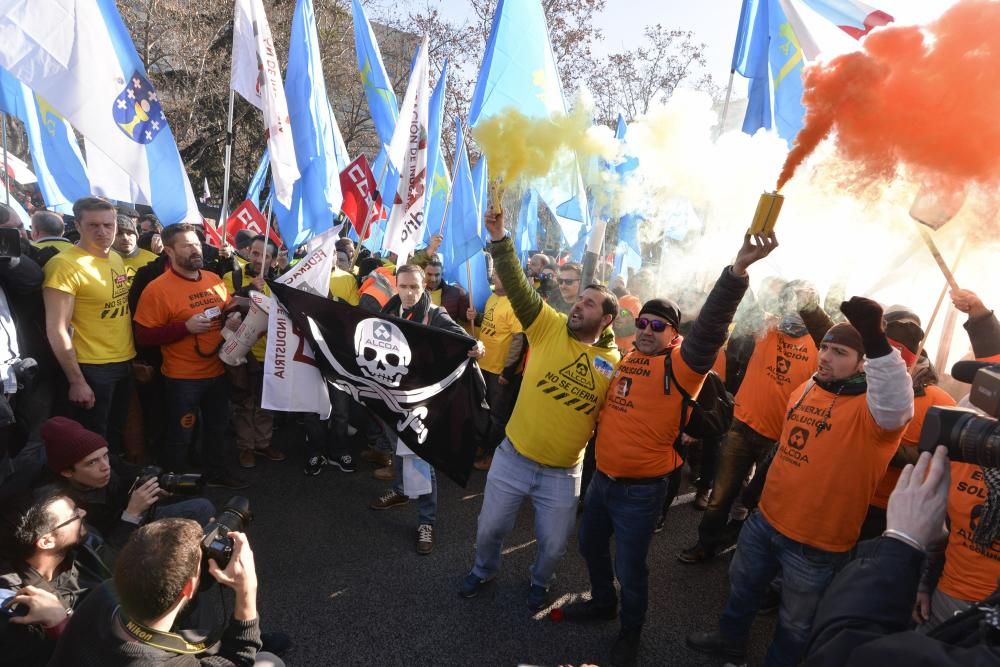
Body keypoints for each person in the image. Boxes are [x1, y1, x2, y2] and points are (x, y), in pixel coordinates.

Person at [565, 233, 778, 667]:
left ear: (672, 335)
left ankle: (631, 632)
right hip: (603, 480)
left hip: (641, 491)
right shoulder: (626, 356)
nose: (646, 330)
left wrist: (737, 271)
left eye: (657, 326)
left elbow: (714, 324)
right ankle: (603, 603)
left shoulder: (683, 366)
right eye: (642, 323)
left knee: (632, 567)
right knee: (588, 544)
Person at [687, 298, 915, 666]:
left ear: (863, 363)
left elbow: (896, 402)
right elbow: (782, 450)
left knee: (796, 623)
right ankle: (729, 642)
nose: (824, 356)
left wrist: (875, 338)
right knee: (741, 589)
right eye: (824, 347)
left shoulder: (875, 414)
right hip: (765, 522)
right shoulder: (809, 386)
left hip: (816, 544)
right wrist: (755, 493)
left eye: (839, 352)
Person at [458, 210, 621, 611]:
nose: (578, 307)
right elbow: (516, 284)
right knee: (490, 529)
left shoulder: (616, 363)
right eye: (579, 300)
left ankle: (540, 582)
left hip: (563, 473)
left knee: (552, 545)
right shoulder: (548, 325)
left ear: (608, 318)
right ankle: (483, 570)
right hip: (513, 457)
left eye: (589, 304)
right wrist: (499, 238)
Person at [806, 447, 1000, 666]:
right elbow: (940, 530)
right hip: (944, 600)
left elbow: (845, 651)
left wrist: (900, 541)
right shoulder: (969, 455)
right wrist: (922, 582)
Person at [678, 281, 821, 564]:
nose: (794, 307)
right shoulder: (767, 327)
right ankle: (705, 544)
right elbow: (746, 308)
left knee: (760, 502)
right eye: (790, 300)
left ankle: (742, 546)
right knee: (720, 494)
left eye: (802, 303)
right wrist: (741, 274)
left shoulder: (819, 344)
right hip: (742, 425)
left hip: (780, 438)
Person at [48, 518, 282, 666]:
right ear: (189, 587)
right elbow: (235, 661)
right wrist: (246, 590)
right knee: (270, 662)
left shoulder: (103, 593)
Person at [369, 264, 484, 555]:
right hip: (390, 396)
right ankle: (401, 490)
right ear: (396, 285)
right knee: (398, 449)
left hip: (421, 403)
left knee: (423, 460)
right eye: (404, 286)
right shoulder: (388, 311)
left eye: (414, 288)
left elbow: (463, 339)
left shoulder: (435, 314)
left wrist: (477, 347)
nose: (408, 293)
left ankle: (426, 521)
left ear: (425, 289)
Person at [134, 224, 248, 489]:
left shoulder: (213, 279)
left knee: (217, 429)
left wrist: (232, 318)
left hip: (217, 371)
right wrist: (183, 328)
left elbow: (226, 308)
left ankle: (217, 473)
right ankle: (175, 483)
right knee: (181, 433)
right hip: (182, 378)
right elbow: (143, 336)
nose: (195, 249)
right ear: (169, 250)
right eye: (186, 245)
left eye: (196, 243)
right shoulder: (157, 289)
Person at [42, 416, 216, 551]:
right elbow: (104, 554)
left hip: (134, 520)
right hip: (118, 540)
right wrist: (132, 514)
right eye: (92, 463)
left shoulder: (109, 463)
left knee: (202, 507)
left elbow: (136, 473)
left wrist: (152, 486)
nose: (105, 467)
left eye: (105, 456)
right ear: (67, 472)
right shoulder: (62, 505)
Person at [43, 197, 135, 451]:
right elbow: (57, 328)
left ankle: (116, 487)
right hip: (91, 367)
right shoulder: (64, 265)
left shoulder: (115, 258)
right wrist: (76, 380)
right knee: (92, 444)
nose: (103, 231)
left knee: (115, 436)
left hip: (123, 361)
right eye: (94, 225)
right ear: (79, 226)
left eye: (108, 224)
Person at [0, 488, 110, 667]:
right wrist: (59, 625)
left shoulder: (81, 553)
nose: (83, 512)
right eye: (73, 514)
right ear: (46, 541)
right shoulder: (13, 609)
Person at [228, 235, 285, 470]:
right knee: (245, 403)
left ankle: (263, 443)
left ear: (273, 261)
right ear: (248, 252)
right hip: (242, 354)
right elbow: (226, 308)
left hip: (271, 355)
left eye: (266, 255)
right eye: (255, 253)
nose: (259, 259)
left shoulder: (280, 285)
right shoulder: (232, 276)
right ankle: (246, 448)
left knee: (266, 404)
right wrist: (248, 290)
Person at [467, 269, 526, 471]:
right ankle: (482, 446)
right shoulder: (494, 297)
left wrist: (508, 373)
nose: (493, 276)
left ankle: (493, 455)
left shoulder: (517, 304)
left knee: (498, 416)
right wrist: (478, 316)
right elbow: (494, 323)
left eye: (498, 274)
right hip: (484, 365)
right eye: (493, 273)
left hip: (501, 372)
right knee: (484, 409)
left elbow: (520, 341)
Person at [424, 257, 472, 327]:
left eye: (437, 275)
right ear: (423, 273)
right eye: (429, 274)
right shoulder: (417, 292)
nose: (433, 279)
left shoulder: (454, 292)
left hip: (445, 335)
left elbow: (464, 318)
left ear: (442, 274)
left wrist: (464, 297)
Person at [113, 215, 158, 283]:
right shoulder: (102, 262)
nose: (125, 238)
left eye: (129, 233)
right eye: (119, 234)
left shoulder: (155, 261)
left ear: (137, 236)